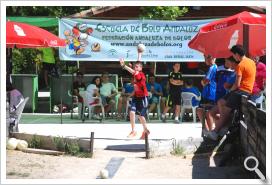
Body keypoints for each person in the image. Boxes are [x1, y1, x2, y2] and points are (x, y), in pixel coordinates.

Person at [207, 45, 256, 141]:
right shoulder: (251, 62)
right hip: (246, 91)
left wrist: (230, 91)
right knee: (221, 102)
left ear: (237, 54)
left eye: (233, 55)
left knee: (225, 111)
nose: (233, 57)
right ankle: (222, 127)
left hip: (241, 91)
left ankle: (216, 131)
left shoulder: (240, 65)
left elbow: (237, 84)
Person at [119, 51, 150, 139]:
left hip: (143, 98)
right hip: (136, 97)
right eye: (135, 66)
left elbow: (133, 71)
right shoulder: (137, 71)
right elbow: (138, 63)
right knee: (132, 112)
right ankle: (133, 131)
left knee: (141, 116)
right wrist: (139, 54)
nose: (136, 68)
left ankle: (145, 130)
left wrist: (124, 66)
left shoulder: (141, 75)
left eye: (137, 67)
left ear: (141, 68)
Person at [196, 54, 217, 132]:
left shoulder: (212, 68)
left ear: (214, 58)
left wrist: (202, 81)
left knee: (207, 113)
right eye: (205, 57)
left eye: (208, 57)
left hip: (209, 94)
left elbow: (205, 82)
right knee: (200, 111)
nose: (206, 59)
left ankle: (210, 131)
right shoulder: (212, 68)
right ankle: (207, 130)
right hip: (208, 94)